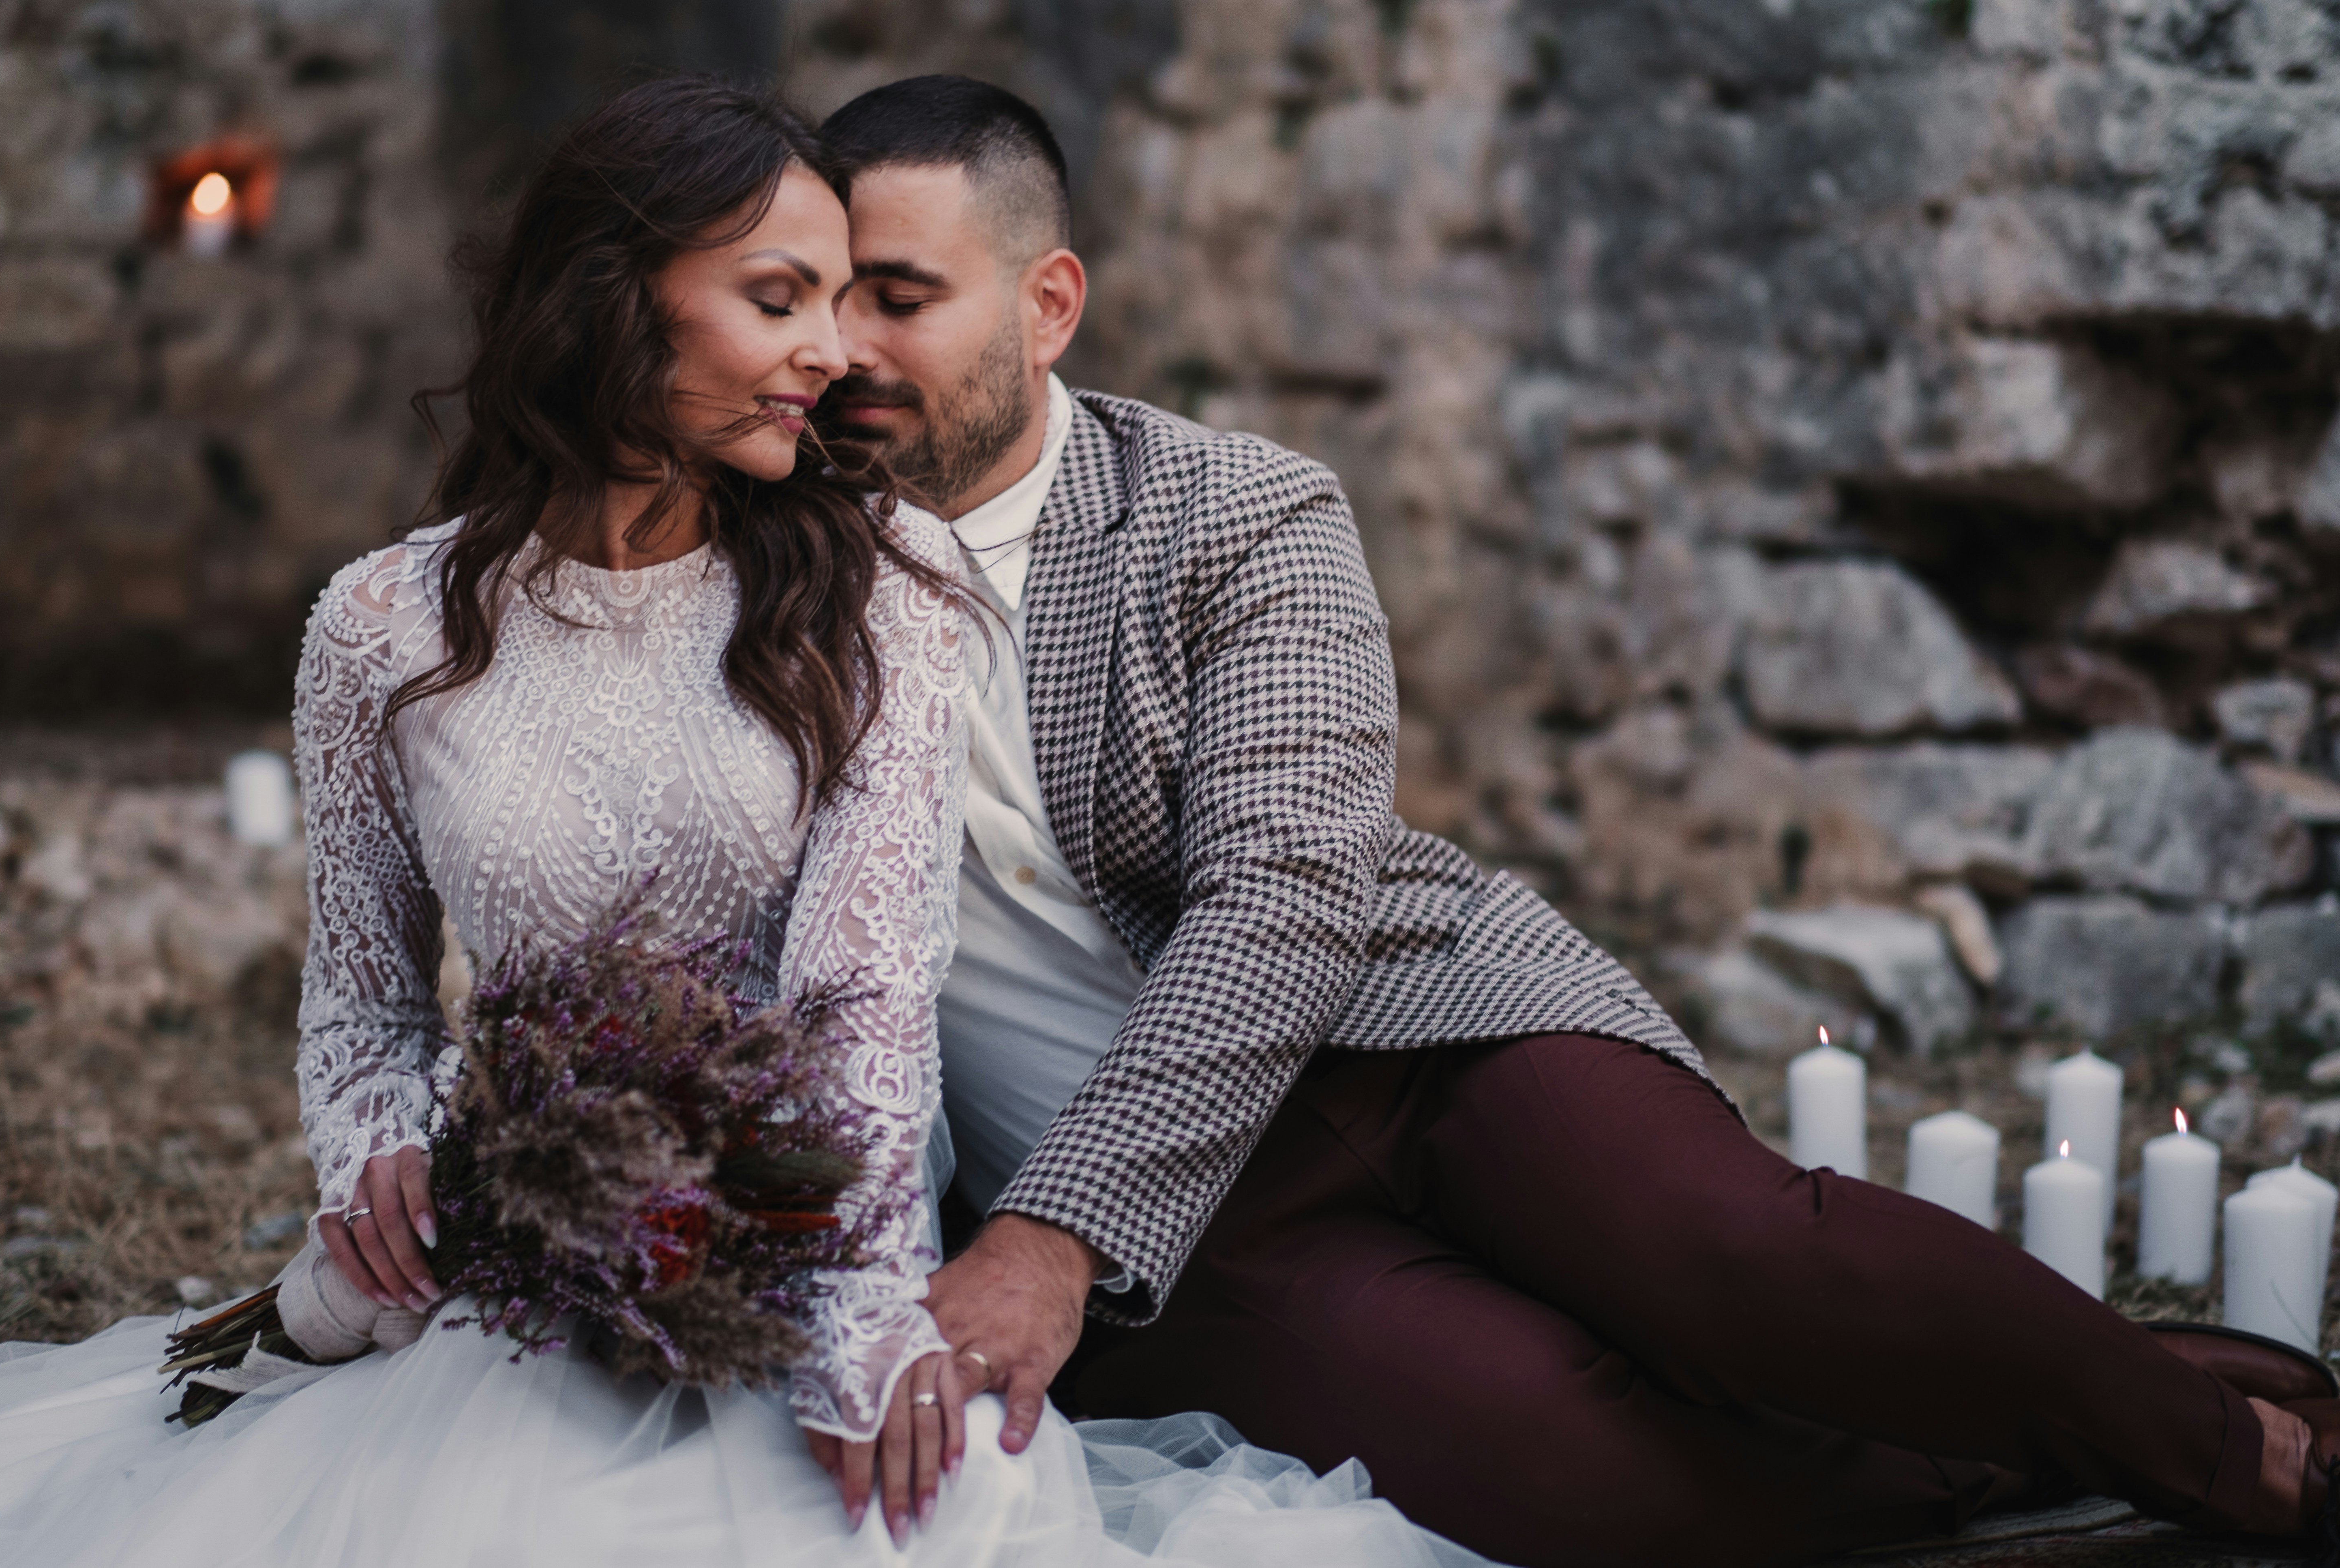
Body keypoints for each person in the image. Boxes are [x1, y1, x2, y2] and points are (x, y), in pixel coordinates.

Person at [814, 73, 2340, 1568]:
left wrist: (1050, 1241)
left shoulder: (1237, 511)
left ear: (1049, 303)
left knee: (1743, 1266)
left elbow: (1284, 890)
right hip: (1197, 1238)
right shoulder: (767, 571)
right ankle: (2066, 1413)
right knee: (1567, 1468)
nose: (848, 348)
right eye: (826, 299)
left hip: (1414, 1032)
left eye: (901, 295)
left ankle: (2248, 1461)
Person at [0, 78, 1485, 1568]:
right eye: (782, 301)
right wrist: (370, 1155)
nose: (833, 356)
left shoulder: (881, 587)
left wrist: (852, 1319)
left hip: (814, 1244)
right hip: (514, 1259)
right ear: (616, 305)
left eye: (844, 301)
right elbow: (366, 999)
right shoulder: (378, 628)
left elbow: (868, 998)